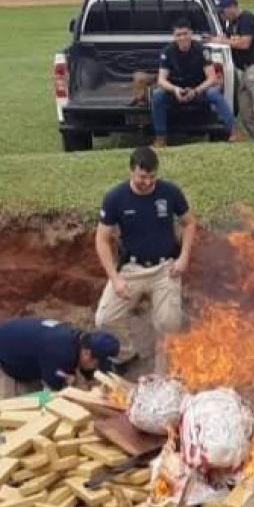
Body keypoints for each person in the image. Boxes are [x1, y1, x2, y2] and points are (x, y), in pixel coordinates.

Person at [94, 146, 195, 369]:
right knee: (105, 319)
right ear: (131, 171)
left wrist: (184, 257)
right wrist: (115, 279)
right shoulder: (115, 198)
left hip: (165, 268)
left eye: (152, 176)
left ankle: (163, 374)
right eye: (142, 177)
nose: (148, 182)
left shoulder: (170, 192)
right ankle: (126, 352)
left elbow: (189, 223)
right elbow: (102, 239)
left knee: (169, 323)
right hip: (131, 270)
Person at [0, 317, 119, 394]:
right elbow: (57, 394)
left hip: (17, 355)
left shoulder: (76, 340)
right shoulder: (61, 354)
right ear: (87, 354)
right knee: (12, 413)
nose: (96, 370)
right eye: (97, 365)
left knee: (33, 396)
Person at [151, 17, 236, 147]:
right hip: (177, 92)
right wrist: (175, 90)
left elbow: (212, 78)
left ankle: (234, 132)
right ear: (174, 36)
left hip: (198, 90)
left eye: (185, 33)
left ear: (191, 33)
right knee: (157, 96)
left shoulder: (201, 50)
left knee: (214, 94)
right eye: (178, 35)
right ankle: (161, 137)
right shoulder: (167, 52)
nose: (182, 38)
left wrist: (196, 91)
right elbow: (161, 80)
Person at [212, 0, 254, 142]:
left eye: (223, 10)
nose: (222, 14)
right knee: (244, 109)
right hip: (243, 70)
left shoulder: (247, 18)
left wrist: (223, 41)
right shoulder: (230, 25)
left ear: (233, 7)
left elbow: (245, 43)